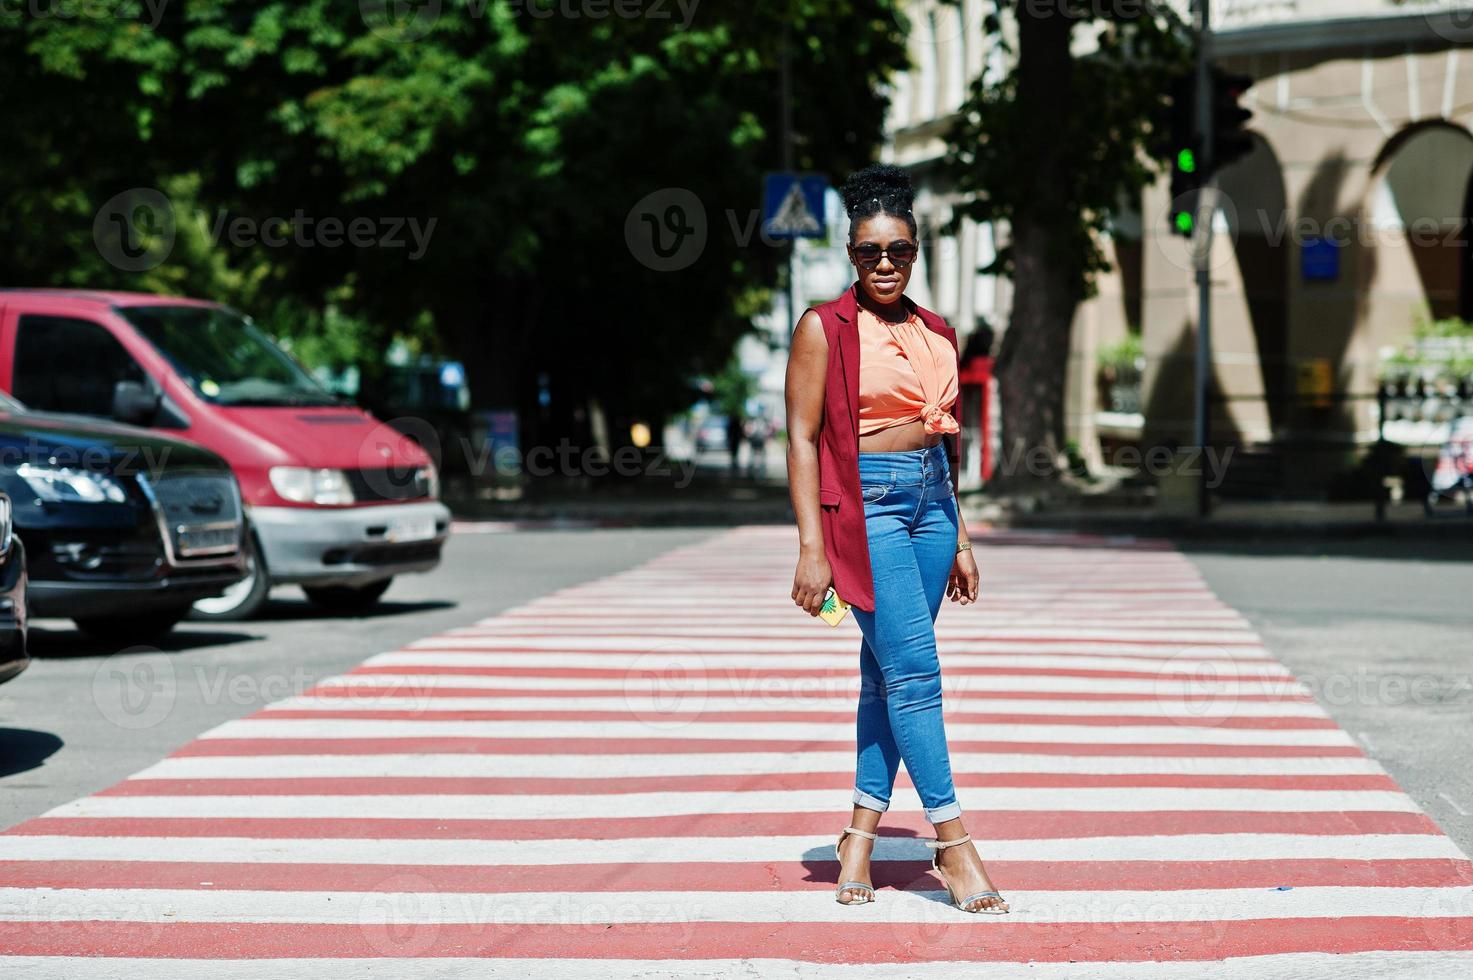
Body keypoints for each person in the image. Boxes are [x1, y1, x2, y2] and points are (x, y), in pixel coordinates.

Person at [782, 163, 1008, 914]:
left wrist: (964, 539)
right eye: (869, 252)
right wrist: (812, 546)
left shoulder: (934, 329)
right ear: (850, 253)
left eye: (898, 251)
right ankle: (953, 843)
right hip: (867, 507)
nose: (884, 263)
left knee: (885, 678)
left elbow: (944, 445)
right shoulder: (823, 326)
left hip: (931, 507)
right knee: (916, 675)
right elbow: (801, 436)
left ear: (916, 251)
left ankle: (857, 837)